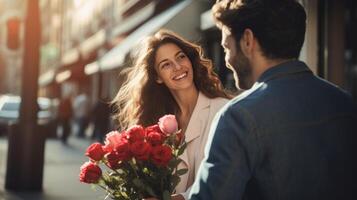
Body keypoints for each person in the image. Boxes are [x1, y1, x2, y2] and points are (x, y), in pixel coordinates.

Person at [189, 0, 357, 200]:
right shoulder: (345, 103)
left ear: (248, 40)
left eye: (226, 47)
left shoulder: (238, 118)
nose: (227, 60)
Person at [112, 29, 231, 200]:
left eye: (180, 57)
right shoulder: (157, 123)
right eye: (166, 64)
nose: (177, 67)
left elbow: (223, 180)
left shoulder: (223, 111)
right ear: (158, 78)